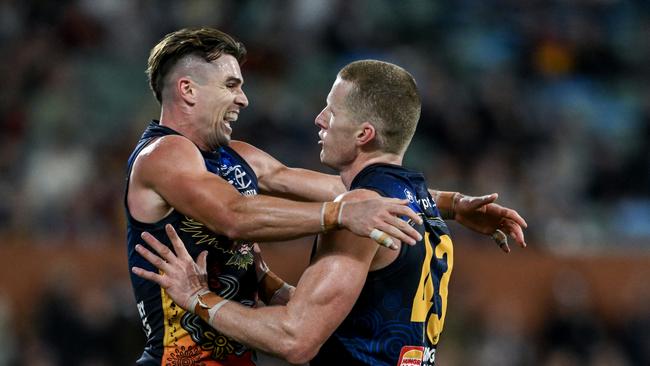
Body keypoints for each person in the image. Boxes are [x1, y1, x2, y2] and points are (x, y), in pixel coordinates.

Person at [132, 59, 527, 365]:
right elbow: (341, 316)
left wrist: (197, 297)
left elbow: (295, 339)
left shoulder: (361, 216)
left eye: (331, 112)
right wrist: (454, 204)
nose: (319, 119)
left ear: (363, 134)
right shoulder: (412, 200)